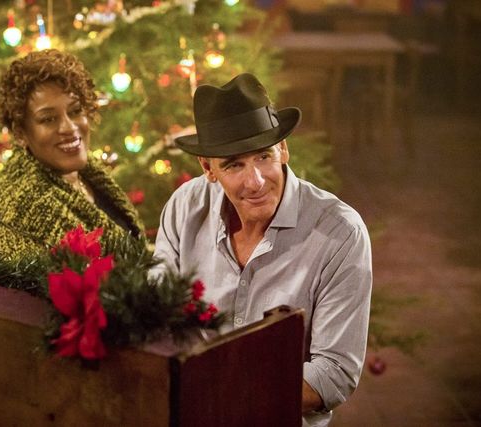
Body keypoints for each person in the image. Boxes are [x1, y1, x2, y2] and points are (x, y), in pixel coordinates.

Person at [153, 73, 372, 426]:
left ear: (283, 149)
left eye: (263, 157)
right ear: (208, 168)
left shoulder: (341, 233)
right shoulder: (184, 207)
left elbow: (334, 373)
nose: (255, 182)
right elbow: (157, 312)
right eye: (234, 164)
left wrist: (221, 398)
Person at [0, 49, 143, 258]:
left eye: (75, 111)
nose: (69, 127)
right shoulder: (18, 207)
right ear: (21, 133)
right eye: (48, 119)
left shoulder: (92, 174)